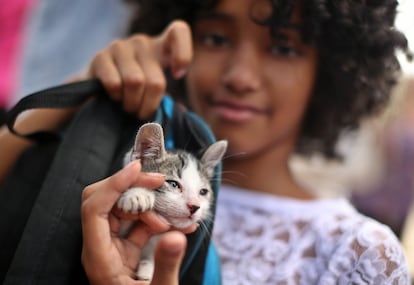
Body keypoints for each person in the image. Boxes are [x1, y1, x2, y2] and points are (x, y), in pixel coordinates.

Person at [1, 0, 412, 284]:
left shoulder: (355, 252)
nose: (240, 75)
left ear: (329, 71)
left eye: (283, 47)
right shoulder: (122, 172)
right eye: (216, 39)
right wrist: (88, 84)